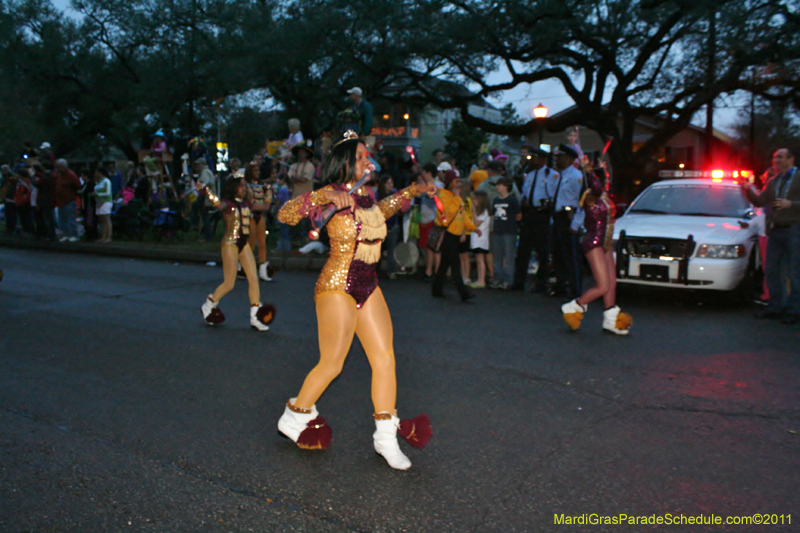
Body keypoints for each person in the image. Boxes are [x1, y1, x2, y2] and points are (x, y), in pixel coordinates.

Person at [275, 130, 435, 470]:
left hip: (368, 283)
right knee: (332, 363)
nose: (367, 160)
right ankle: (295, 414)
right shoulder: (332, 197)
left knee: (385, 358)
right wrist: (324, 195)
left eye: (367, 155)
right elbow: (285, 214)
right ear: (345, 163)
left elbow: (382, 211)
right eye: (360, 156)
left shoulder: (365, 195)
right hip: (337, 284)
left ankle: (385, 438)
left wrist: (413, 191)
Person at [561, 160, 632, 335]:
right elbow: (597, 188)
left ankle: (610, 320)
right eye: (603, 179)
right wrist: (589, 171)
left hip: (605, 242)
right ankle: (574, 306)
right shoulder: (591, 197)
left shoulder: (604, 197)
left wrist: (603, 168)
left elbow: (604, 188)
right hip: (593, 243)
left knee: (611, 283)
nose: (606, 182)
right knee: (602, 286)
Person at [199, 176, 274, 331]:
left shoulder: (247, 204)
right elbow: (218, 205)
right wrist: (206, 190)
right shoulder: (228, 203)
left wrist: (268, 192)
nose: (244, 188)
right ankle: (209, 304)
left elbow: (266, 207)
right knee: (229, 283)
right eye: (241, 186)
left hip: (243, 243)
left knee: (253, 279)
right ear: (233, 188)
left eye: (245, 186)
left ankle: (255, 317)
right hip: (230, 243)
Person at [742, 147, 800, 325]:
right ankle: (776, 307)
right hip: (775, 231)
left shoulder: (798, 178)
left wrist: (791, 204)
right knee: (772, 270)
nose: (776, 161)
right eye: (775, 158)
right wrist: (747, 189)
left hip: (794, 229)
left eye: (780, 157)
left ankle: (794, 310)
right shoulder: (774, 181)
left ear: (791, 159)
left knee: (794, 272)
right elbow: (760, 201)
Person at [512, 147, 557, 292]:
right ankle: (519, 282)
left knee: (542, 251)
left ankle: (541, 282)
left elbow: (554, 195)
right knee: (523, 249)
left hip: (542, 214)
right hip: (529, 214)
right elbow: (525, 192)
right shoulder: (530, 175)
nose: (532, 160)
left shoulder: (552, 175)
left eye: (535, 158)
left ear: (542, 159)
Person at [432, 170, 479, 301]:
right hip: (448, 234)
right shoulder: (443, 196)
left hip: (454, 235)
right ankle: (463, 292)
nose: (459, 184)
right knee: (455, 264)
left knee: (444, 265)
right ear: (450, 182)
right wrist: (457, 198)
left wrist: (473, 228)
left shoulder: (454, 196)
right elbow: (448, 214)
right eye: (456, 181)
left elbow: (463, 215)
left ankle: (437, 289)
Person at [550, 144, 584, 298]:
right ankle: (561, 285)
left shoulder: (576, 176)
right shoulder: (559, 176)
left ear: (569, 159)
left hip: (568, 218)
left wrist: (576, 223)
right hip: (558, 218)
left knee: (571, 256)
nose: (557, 160)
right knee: (558, 254)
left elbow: (582, 202)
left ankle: (575, 289)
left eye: (560, 157)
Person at [244, 162, 274, 281]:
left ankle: (263, 270)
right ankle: (247, 269)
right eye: (255, 171)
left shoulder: (262, 185)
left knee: (262, 243)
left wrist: (268, 194)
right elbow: (247, 202)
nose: (257, 173)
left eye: (258, 171)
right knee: (250, 243)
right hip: (250, 216)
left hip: (260, 216)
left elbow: (266, 201)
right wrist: (263, 206)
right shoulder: (245, 186)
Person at [490, 177, 520, 289]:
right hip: (498, 230)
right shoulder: (496, 200)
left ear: (505, 187)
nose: (497, 187)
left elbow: (518, 215)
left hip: (508, 231)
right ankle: (498, 278)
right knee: (497, 256)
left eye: (499, 185)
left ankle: (508, 279)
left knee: (508, 256)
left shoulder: (512, 200)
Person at [377, 174, 402, 279]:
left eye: (391, 183)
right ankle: (375, 271)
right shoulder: (378, 196)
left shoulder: (395, 195)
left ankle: (391, 271)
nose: (390, 185)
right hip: (380, 226)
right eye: (388, 183)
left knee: (392, 251)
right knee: (377, 250)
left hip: (393, 226)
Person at [53, 159, 82, 242]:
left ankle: (73, 234)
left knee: (70, 218)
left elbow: (78, 186)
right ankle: (66, 234)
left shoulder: (71, 175)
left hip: (69, 200)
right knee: (63, 219)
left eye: (58, 167)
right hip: (60, 201)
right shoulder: (59, 175)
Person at [469, 190, 491, 288]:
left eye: (475, 199)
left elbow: (477, 223)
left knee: (480, 259)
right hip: (476, 239)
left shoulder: (484, 212)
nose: (473, 201)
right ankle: (479, 279)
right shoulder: (481, 212)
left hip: (481, 239)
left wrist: (473, 211)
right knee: (478, 260)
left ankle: (481, 280)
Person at [92, 166, 113, 243]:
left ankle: (109, 237)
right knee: (103, 221)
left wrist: (97, 194)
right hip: (99, 202)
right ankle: (103, 236)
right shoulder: (99, 182)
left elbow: (107, 193)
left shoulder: (106, 181)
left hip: (106, 202)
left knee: (107, 219)